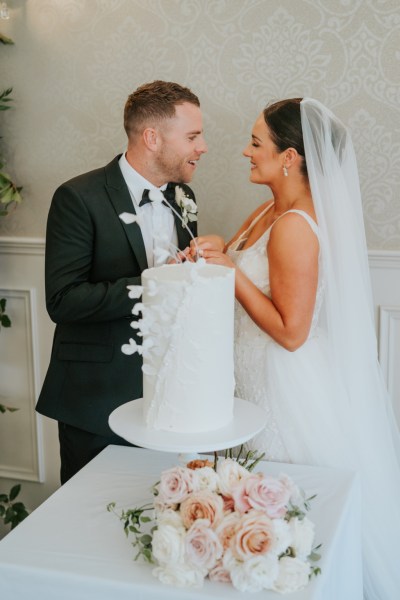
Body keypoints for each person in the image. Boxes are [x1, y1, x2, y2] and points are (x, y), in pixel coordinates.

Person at [191, 98, 400, 600]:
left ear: (290, 157)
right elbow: (242, 259)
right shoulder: (270, 209)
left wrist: (230, 273)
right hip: (250, 376)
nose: (245, 150)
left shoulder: (294, 228)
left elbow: (291, 332)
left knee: (288, 525)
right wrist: (218, 247)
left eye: (256, 142)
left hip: (285, 385)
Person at [37, 80, 207, 484]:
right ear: (152, 137)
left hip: (168, 393)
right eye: (193, 136)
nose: (202, 147)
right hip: (97, 396)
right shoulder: (78, 197)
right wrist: (156, 284)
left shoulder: (184, 195)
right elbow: (63, 300)